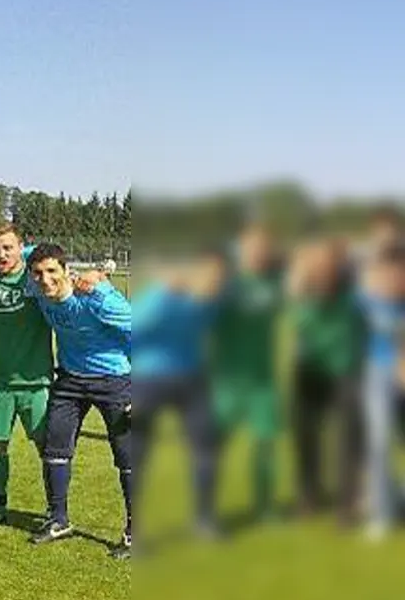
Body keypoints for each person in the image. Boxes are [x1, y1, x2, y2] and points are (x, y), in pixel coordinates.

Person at [25, 245, 135, 558]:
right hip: (70, 380)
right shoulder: (37, 290)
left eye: (52, 272)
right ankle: (58, 520)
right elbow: (18, 250)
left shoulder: (97, 297)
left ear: (65, 270)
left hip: (115, 380)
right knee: (55, 449)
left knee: (127, 456)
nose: (45, 280)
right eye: (38, 273)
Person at [130, 249, 226, 538]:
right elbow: (133, 332)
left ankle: (204, 519)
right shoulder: (159, 298)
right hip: (151, 381)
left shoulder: (208, 304)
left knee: (205, 449)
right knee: (140, 453)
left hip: (193, 380)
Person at [0, 224, 55, 527]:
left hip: (36, 383)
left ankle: (54, 508)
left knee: (48, 448)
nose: (2, 254)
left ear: (21, 246)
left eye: (8, 247)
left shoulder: (36, 277)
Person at [210, 222, 284, 520]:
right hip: (229, 380)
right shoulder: (227, 287)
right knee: (214, 444)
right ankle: (206, 510)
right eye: (251, 245)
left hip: (263, 380)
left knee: (266, 443)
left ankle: (265, 508)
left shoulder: (276, 283)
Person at [286, 238, 364, 522]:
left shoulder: (353, 295)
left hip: (345, 371)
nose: (322, 273)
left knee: (348, 439)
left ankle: (347, 504)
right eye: (317, 268)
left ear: (338, 268)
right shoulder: (300, 293)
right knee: (305, 436)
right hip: (309, 371)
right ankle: (309, 495)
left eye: (328, 267)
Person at [357, 244, 405, 539]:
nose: (394, 279)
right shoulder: (364, 300)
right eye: (388, 272)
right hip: (376, 374)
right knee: (378, 441)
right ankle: (382, 513)